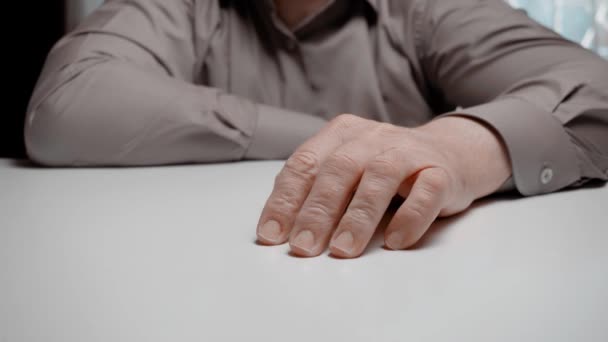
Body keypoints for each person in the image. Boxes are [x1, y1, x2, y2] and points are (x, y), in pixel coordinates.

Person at [26, 0, 608, 258]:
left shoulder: (427, 9)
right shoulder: (182, 7)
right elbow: (66, 105)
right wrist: (334, 134)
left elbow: (592, 86)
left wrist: (459, 145)